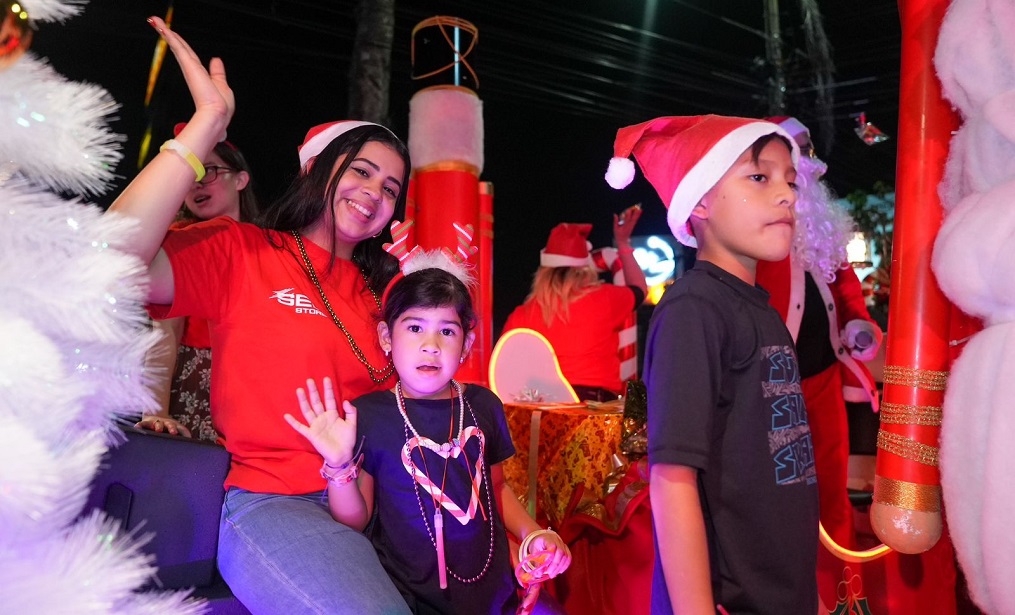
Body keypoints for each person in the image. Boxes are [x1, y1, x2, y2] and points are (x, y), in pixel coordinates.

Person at [107, 17, 412, 613]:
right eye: (361, 172)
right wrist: (204, 129)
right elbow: (111, 256)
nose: (376, 194)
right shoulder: (243, 252)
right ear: (318, 170)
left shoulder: (384, 294)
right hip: (279, 504)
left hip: (376, 507)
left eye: (393, 188)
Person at [604, 115, 821, 614]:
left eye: (790, 180)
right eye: (760, 177)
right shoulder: (694, 309)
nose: (787, 195)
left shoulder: (760, 311)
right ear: (699, 201)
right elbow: (672, 476)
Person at [284, 251, 571, 614]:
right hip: (407, 596)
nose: (430, 345)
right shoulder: (371, 414)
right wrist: (339, 466)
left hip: (490, 589)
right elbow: (353, 520)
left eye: (447, 331)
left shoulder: (484, 404)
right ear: (387, 336)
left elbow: (495, 489)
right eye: (415, 327)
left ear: (466, 344)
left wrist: (533, 535)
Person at [756, 116, 882, 553]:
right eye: (799, 147)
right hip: (770, 384)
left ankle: (842, 588)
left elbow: (846, 291)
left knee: (831, 488)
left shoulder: (824, 223)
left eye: (809, 148)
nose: (809, 158)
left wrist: (860, 326)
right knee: (780, 490)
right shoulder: (754, 225)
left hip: (824, 376)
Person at [140, 124, 261, 441]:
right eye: (189, 173)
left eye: (208, 171)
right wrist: (155, 412)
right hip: (198, 386)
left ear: (241, 179)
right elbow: (164, 334)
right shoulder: (179, 243)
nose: (196, 183)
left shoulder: (268, 246)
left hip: (257, 386)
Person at [502, 206, 647, 401]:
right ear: (585, 270)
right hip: (596, 412)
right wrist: (623, 243)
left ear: (543, 272)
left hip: (544, 414)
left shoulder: (522, 315)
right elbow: (639, 289)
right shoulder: (605, 299)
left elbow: (506, 367)